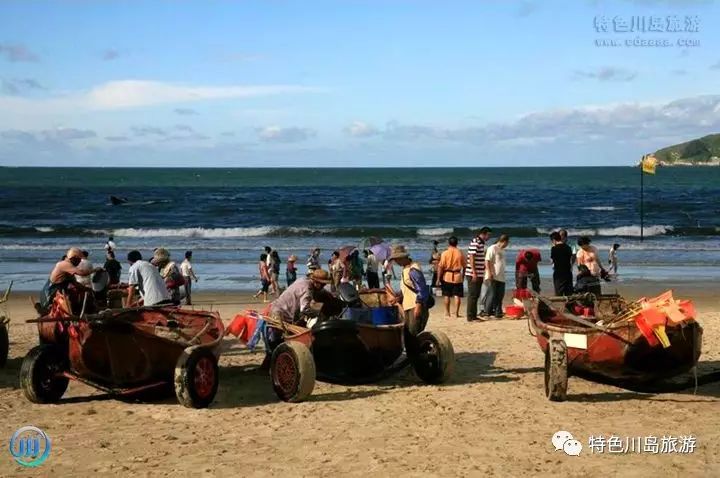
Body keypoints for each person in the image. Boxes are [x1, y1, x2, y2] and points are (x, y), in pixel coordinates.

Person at [385, 245, 433, 339]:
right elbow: (407, 289)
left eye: (397, 259)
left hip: (414, 306)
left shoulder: (413, 270)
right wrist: (398, 298)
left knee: (413, 334)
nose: (396, 262)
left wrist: (418, 306)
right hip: (408, 306)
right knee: (408, 333)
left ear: (403, 257)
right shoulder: (406, 269)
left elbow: (421, 289)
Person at [268, 269, 333, 324]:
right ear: (316, 282)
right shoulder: (308, 290)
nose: (323, 287)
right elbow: (304, 309)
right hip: (281, 315)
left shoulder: (303, 279)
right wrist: (318, 313)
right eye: (322, 285)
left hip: (276, 307)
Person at [465, 226, 492, 321]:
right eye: (488, 235)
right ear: (484, 234)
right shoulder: (476, 242)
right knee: (473, 295)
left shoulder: (480, 243)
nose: (489, 237)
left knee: (475, 295)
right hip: (474, 273)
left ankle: (473, 315)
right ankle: (470, 316)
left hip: (479, 273)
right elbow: (471, 257)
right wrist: (474, 273)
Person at [436, 236, 465, 319]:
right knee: (457, 295)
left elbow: (440, 267)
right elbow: (465, 266)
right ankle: (456, 313)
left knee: (447, 295)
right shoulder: (460, 253)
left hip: (447, 276)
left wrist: (438, 278)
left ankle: (447, 313)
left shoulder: (445, 253)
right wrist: (463, 276)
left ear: (449, 243)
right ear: (457, 243)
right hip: (457, 276)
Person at [482, 234, 509, 319]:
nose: (507, 245)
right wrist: (489, 272)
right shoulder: (492, 248)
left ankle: (498, 312)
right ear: (503, 241)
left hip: (501, 276)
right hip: (493, 275)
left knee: (500, 295)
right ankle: (487, 312)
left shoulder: (503, 250)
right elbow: (487, 261)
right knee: (491, 294)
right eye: (507, 243)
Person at [550, 231, 574, 296]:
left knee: (559, 293)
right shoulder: (568, 248)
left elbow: (552, 261)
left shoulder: (554, 249)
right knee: (569, 293)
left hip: (558, 273)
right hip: (568, 272)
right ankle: (569, 306)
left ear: (554, 240)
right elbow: (571, 259)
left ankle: (560, 306)